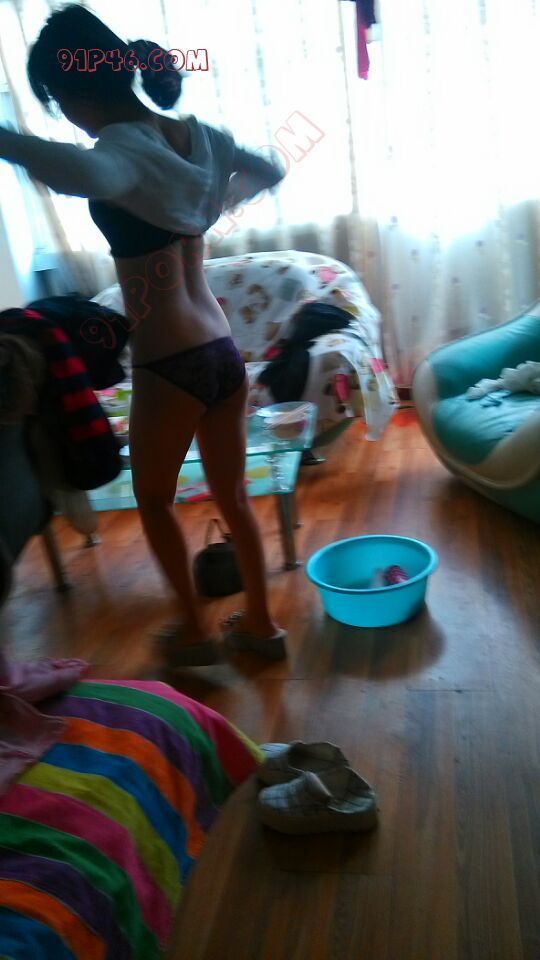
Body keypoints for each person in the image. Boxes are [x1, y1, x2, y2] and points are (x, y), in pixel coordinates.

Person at [0, 3, 288, 666]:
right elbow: (270, 171)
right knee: (233, 497)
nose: (66, 118)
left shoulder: (121, 150)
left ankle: (194, 633)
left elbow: (83, 174)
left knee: (154, 501)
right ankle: (262, 627)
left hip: (169, 359)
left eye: (57, 102)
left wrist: (6, 140)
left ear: (70, 91)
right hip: (222, 351)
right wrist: (211, 206)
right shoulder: (198, 137)